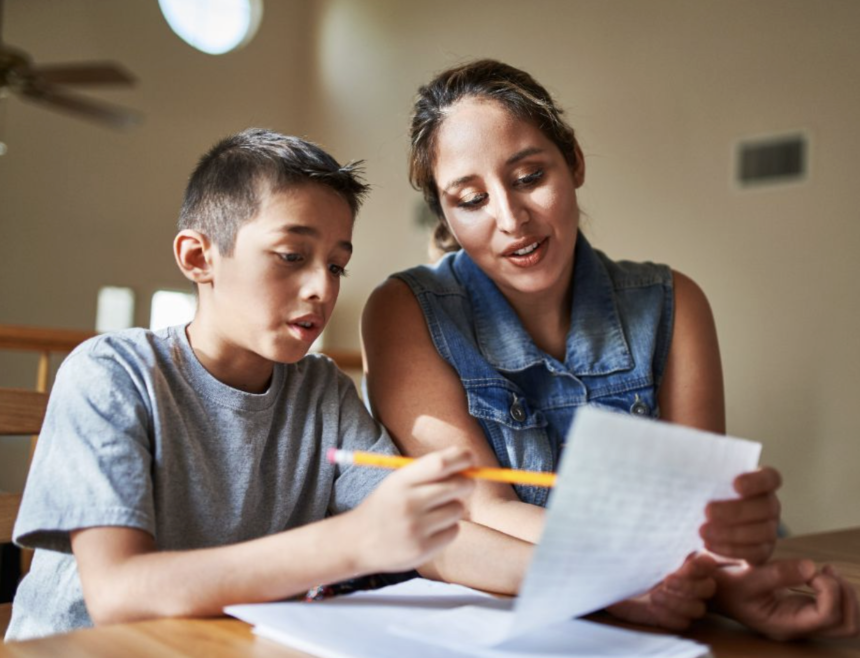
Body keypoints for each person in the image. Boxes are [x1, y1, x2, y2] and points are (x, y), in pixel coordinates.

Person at [362, 60, 858, 639]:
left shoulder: (674, 303)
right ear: (445, 211)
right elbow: (479, 510)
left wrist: (735, 578)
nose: (511, 217)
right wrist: (633, 576)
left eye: (528, 177)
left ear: (574, 161)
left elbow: (698, 521)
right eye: (471, 199)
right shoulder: (406, 311)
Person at [6, 129, 475, 641]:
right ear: (198, 257)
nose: (323, 287)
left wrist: (568, 574)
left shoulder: (322, 392)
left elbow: (438, 542)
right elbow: (119, 593)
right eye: (292, 255)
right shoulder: (111, 372)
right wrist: (350, 542)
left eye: (337, 265)